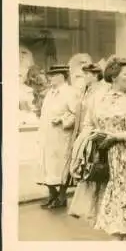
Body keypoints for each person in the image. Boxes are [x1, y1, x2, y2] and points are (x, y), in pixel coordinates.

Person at [82, 57, 126, 241]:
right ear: (113, 76)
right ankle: (123, 246)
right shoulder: (98, 98)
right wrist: (96, 135)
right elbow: (87, 124)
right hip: (107, 161)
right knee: (114, 206)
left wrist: (118, 136)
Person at [66, 63, 109, 225]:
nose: (84, 78)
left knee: (95, 171)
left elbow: (99, 113)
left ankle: (98, 210)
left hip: (94, 135)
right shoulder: (86, 90)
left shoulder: (101, 90)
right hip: (83, 133)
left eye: (86, 75)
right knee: (88, 172)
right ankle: (91, 209)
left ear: (94, 75)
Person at [37, 65, 78, 209]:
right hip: (48, 136)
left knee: (61, 167)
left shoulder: (70, 93)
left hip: (62, 136)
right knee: (48, 167)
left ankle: (61, 197)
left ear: (62, 76)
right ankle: (52, 195)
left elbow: (76, 114)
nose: (50, 78)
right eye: (50, 75)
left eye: (54, 75)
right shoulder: (50, 93)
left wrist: (62, 120)